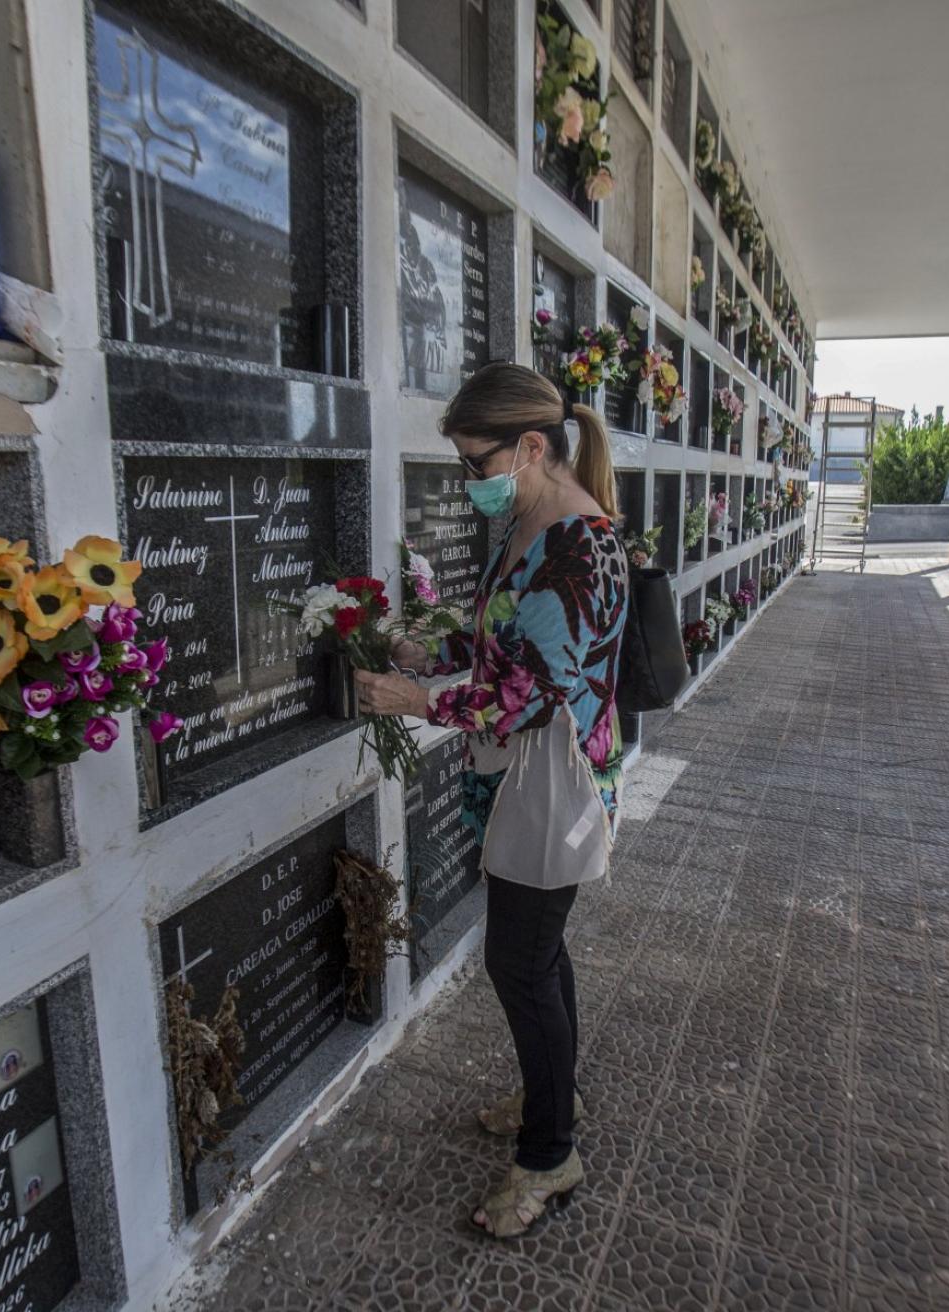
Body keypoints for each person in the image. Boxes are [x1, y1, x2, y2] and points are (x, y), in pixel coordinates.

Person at [355, 362, 628, 1240]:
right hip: (520, 774)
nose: (468, 482)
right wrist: (421, 654)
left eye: (476, 463)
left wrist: (413, 702)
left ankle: (552, 1156)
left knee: (519, 962)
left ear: (533, 447)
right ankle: (559, 1092)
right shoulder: (526, 522)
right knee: (539, 955)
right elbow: (500, 651)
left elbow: (537, 694)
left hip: (557, 782)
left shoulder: (580, 547)